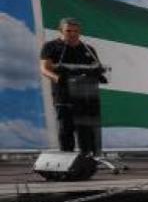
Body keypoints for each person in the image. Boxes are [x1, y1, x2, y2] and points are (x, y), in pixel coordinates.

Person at [39, 17, 108, 155]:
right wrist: (57, 78)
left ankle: (88, 159)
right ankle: (66, 159)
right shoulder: (51, 46)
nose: (72, 34)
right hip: (64, 95)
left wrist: (99, 74)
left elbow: (96, 69)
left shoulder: (88, 49)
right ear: (61, 31)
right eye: (68, 31)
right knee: (66, 128)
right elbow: (44, 68)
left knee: (86, 130)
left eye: (75, 31)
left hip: (86, 96)